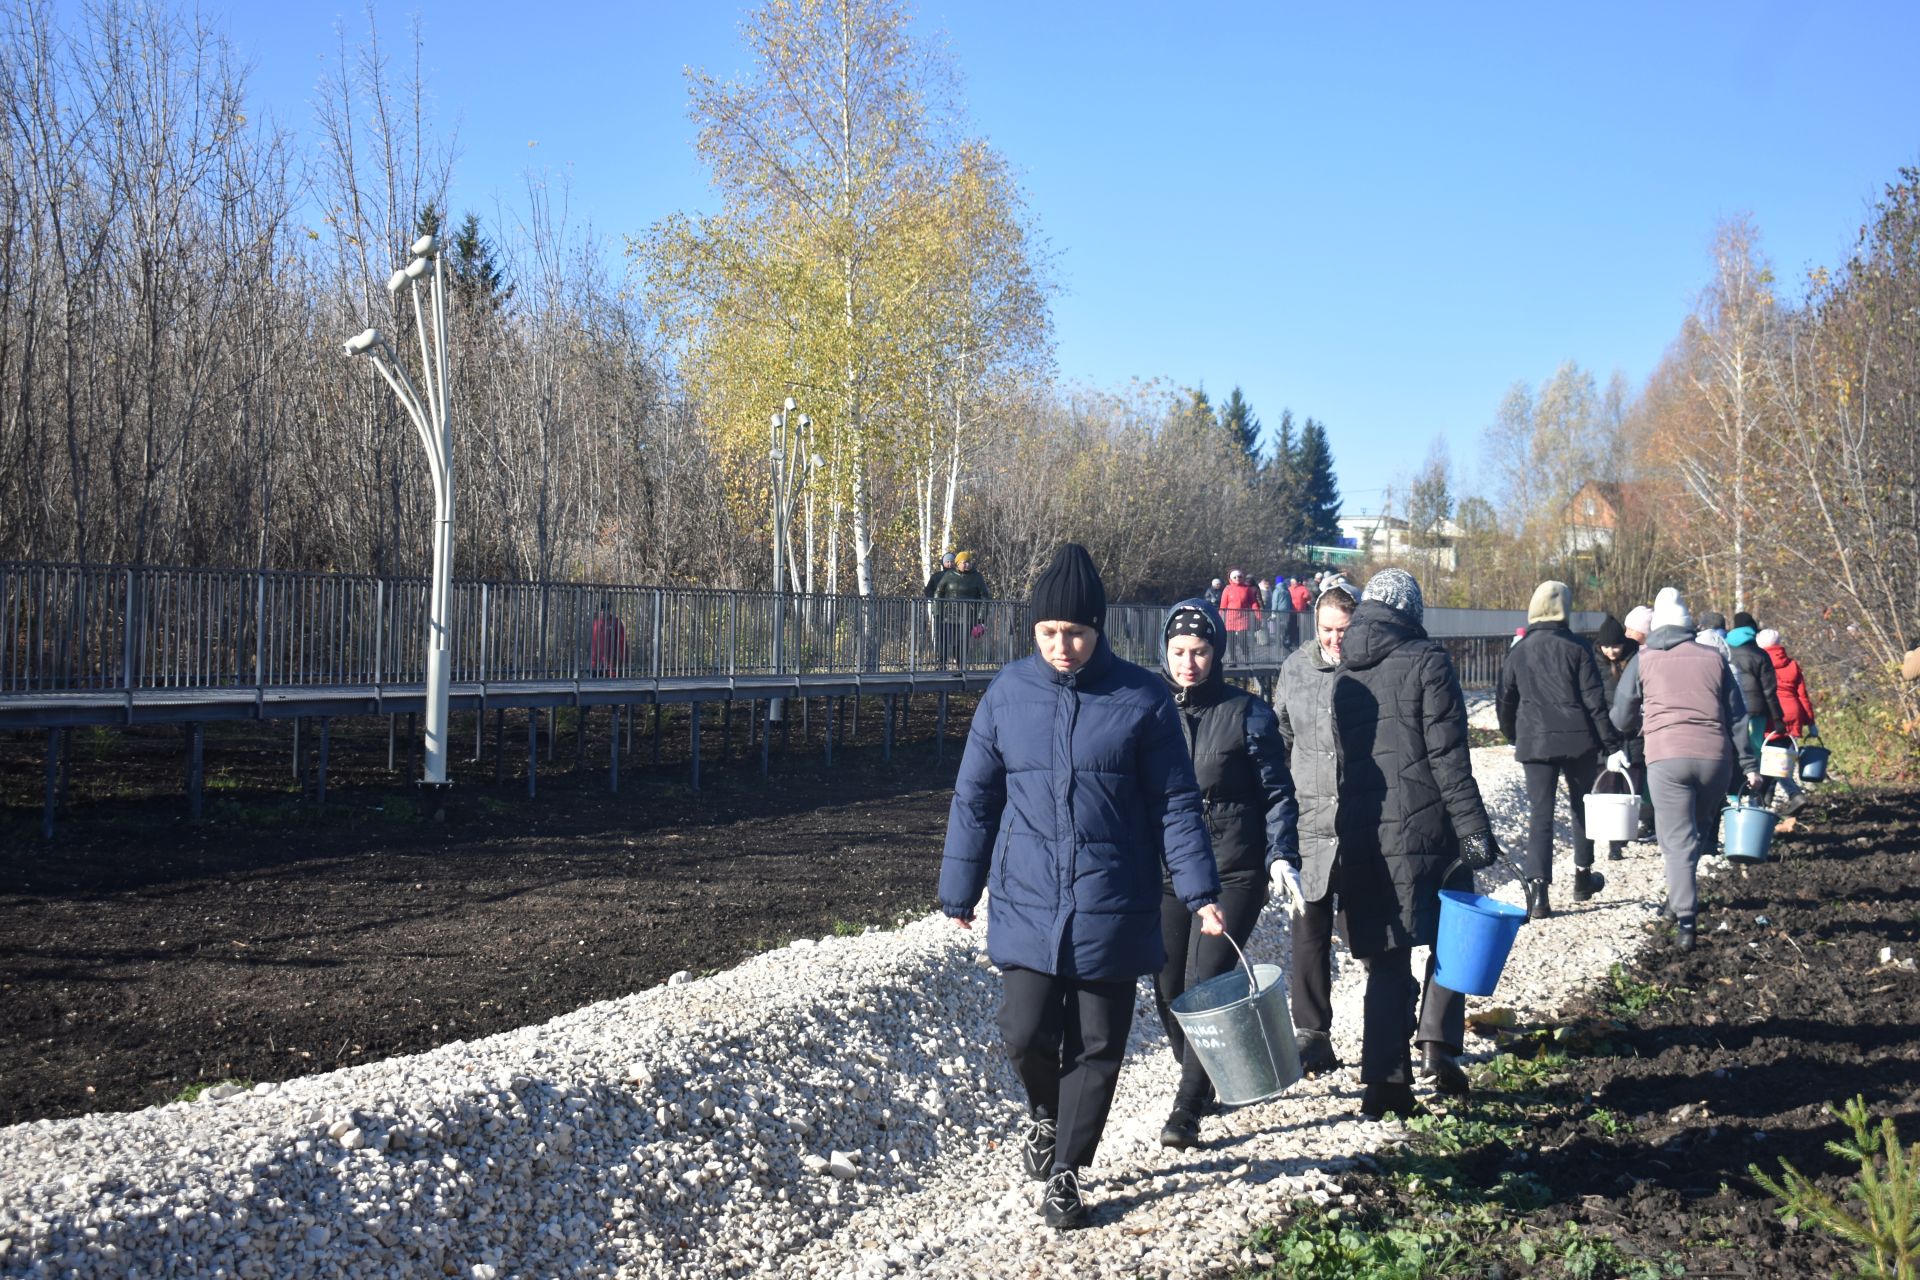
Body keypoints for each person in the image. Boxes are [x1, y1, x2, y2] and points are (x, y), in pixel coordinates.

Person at [939, 543, 1224, 1231]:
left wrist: (1198, 888)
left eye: (1075, 633)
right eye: (1047, 633)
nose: (1061, 646)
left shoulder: (1142, 698)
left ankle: (1066, 1169)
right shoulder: (1008, 693)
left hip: (1115, 901)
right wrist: (959, 889)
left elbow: (1176, 804)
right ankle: (1044, 1113)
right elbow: (975, 798)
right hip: (1028, 896)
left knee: (1100, 1044)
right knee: (1024, 1028)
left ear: (1098, 629)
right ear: (1031, 630)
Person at [1331, 567, 1501, 1118]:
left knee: (1387, 957)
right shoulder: (1429, 661)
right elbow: (1449, 758)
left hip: (1363, 831)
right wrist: (1474, 828)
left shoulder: (1343, 671)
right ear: (1412, 614)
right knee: (1454, 935)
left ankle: (1384, 1086)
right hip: (1432, 827)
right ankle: (1437, 1046)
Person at [1151, 598, 1297, 1149]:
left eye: (1201, 651)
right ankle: (1205, 1072)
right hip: (1166, 868)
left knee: (1203, 981)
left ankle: (1187, 1105)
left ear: (1218, 652)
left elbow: (1278, 793)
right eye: (1180, 651)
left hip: (1234, 868)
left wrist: (1281, 852)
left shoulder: (1247, 713)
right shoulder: (1151, 709)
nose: (1189, 663)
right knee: (1166, 985)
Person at [1610, 587, 1761, 951]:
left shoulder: (1642, 660)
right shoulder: (1713, 658)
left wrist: (1630, 726)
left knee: (1676, 841)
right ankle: (1672, 901)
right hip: (1715, 760)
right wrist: (1750, 765)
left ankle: (1686, 920)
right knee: (1692, 836)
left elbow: (1622, 715)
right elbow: (1737, 716)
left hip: (1667, 757)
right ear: (1688, 623)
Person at [1496, 582, 1622, 918]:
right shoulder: (1579, 648)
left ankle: (1539, 894)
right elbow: (1595, 702)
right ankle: (1582, 878)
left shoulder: (1518, 650)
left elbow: (1505, 699)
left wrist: (1511, 734)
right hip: (1578, 740)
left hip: (1535, 742)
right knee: (1582, 807)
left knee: (1541, 816)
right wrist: (1611, 743)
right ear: (1565, 609)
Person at [1273, 575, 1357, 1079]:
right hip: (1309, 817)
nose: (1334, 640)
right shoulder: (1295, 668)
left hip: (1360, 818)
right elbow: (1281, 732)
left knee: (1363, 928)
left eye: (1343, 630)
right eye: (1327, 629)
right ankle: (1311, 1032)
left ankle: (1395, 1004)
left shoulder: (1370, 668)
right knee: (1309, 927)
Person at [1593, 613, 1646, 856]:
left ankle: (1625, 832)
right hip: (1606, 731)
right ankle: (1613, 840)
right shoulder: (1595, 663)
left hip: (1634, 731)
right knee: (1607, 785)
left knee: (1631, 783)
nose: (1611, 651)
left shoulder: (1637, 659)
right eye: (1606, 646)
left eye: (1615, 646)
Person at [1759, 627, 1817, 815]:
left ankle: (1794, 794)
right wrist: (1811, 722)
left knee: (1773, 760)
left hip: (1772, 713)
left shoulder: (1761, 661)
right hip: (1793, 712)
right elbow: (1802, 695)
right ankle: (1764, 803)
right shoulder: (1792, 664)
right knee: (1779, 757)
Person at [1726, 610, 1786, 768]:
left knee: (1736, 748)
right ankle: (1756, 787)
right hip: (1756, 710)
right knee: (1756, 748)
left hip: (1732, 708)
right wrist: (1778, 718)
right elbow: (1769, 691)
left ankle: (1737, 787)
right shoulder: (1760, 654)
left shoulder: (1725, 650)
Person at [933, 550, 990, 665]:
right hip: (949, 616)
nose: (967, 565)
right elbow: (938, 592)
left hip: (967, 617)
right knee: (952, 642)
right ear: (958, 563)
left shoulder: (977, 577)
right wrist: (937, 611)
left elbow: (985, 597)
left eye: (969, 562)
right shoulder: (949, 575)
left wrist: (981, 619)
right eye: (964, 562)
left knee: (962, 642)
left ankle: (961, 667)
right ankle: (951, 664)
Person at [1217, 569, 1264, 666]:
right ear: (1231, 579)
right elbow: (1223, 605)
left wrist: (1258, 614)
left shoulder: (1247, 589)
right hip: (1230, 618)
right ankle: (1233, 660)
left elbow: (1253, 603)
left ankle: (1247, 659)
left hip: (1243, 618)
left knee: (1243, 640)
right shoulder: (1227, 589)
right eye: (1235, 577)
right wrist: (1219, 618)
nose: (1237, 579)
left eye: (1239, 577)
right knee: (1231, 641)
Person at [588, 598, 626, 676]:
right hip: (596, 661)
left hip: (611, 660)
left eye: (605, 610)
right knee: (593, 682)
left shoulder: (615, 622)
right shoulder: (596, 622)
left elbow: (622, 641)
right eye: (601, 611)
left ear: (609, 611)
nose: (603, 613)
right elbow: (592, 641)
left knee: (611, 681)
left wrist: (623, 657)